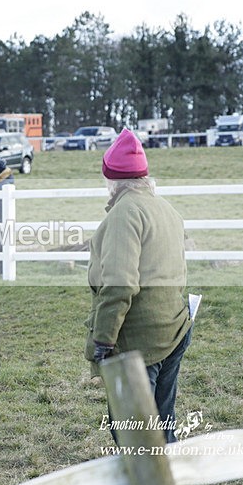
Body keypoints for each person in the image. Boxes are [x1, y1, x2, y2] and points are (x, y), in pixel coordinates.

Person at [84, 128, 192, 445]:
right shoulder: (167, 210)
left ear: (112, 179)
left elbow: (119, 285)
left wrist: (103, 339)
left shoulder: (125, 213)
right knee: (162, 424)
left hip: (138, 341)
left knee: (134, 435)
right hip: (174, 329)